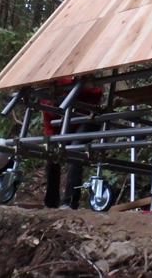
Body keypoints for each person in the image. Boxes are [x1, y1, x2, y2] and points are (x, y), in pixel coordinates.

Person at [43, 77, 103, 209]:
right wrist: (52, 140)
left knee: (75, 151)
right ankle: (50, 203)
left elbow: (97, 92)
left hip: (86, 120)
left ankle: (70, 202)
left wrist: (79, 98)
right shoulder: (41, 94)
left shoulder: (66, 82)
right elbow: (48, 119)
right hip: (65, 126)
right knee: (51, 157)